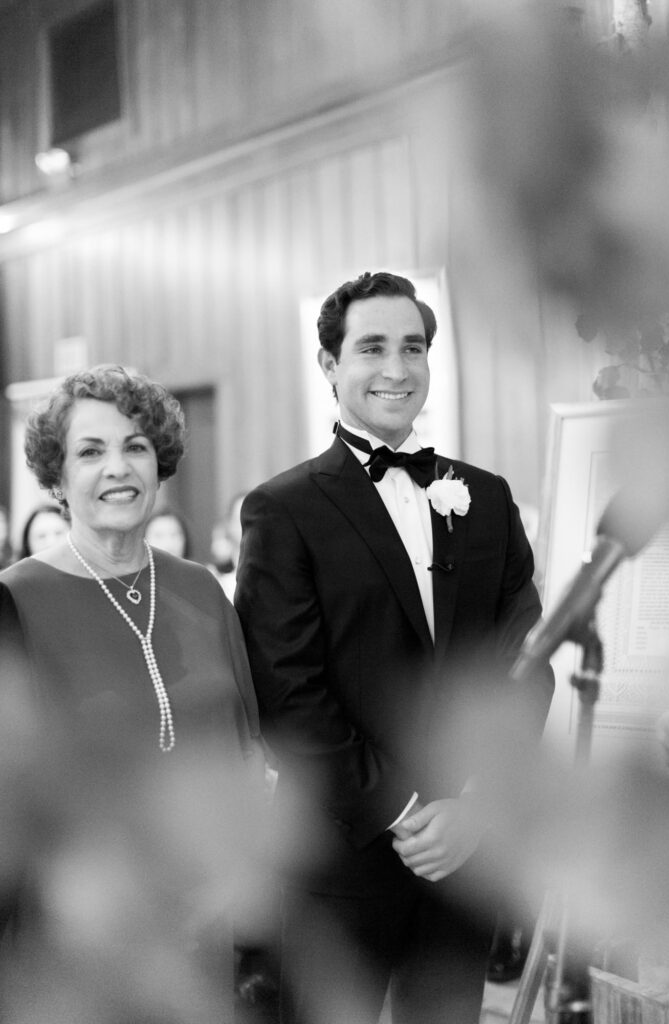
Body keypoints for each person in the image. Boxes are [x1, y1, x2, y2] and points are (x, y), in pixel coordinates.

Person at [234, 270, 554, 1024]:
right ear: (329, 365)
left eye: (413, 348)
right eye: (372, 347)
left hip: (470, 857)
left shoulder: (487, 497)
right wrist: (408, 809)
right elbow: (287, 689)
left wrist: (472, 806)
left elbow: (525, 656)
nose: (396, 369)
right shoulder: (283, 510)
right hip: (345, 861)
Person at [0, 365, 266, 1024]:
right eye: (90, 451)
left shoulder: (203, 588)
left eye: (136, 447)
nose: (117, 468)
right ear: (56, 479)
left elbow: (249, 752)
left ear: (160, 464)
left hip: (207, 923)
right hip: (83, 942)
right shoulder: (15, 601)